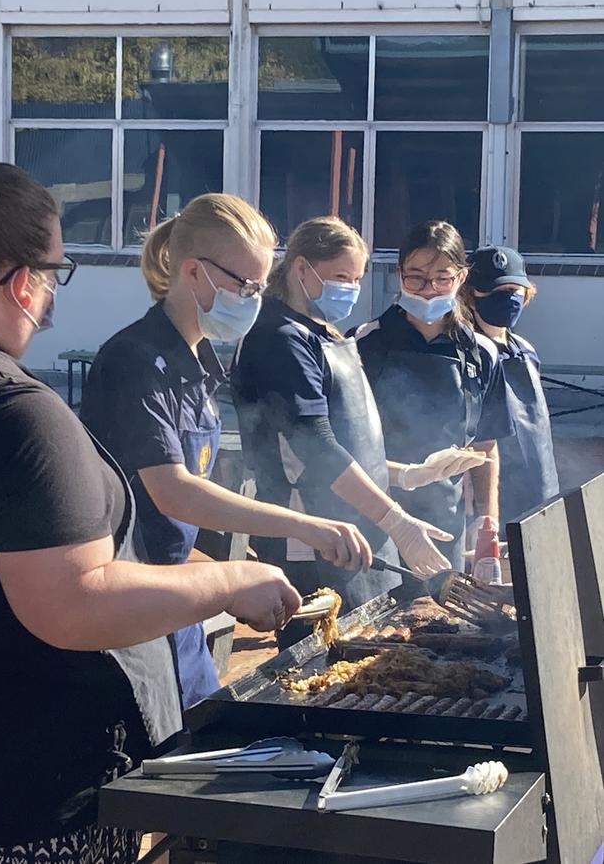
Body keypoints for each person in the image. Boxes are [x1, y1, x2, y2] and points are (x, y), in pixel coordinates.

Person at [0, 164, 300, 862]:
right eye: (57, 270)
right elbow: (75, 600)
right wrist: (230, 585)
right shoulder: (14, 410)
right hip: (19, 803)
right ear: (24, 283)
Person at [81, 194, 372, 706]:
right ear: (194, 272)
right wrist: (301, 524)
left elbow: (177, 521)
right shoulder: (133, 362)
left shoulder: (199, 363)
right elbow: (172, 493)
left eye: (261, 286)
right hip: (130, 613)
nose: (256, 299)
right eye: (246, 285)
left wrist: (233, 578)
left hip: (180, 606)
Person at [231, 216, 487, 649]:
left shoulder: (320, 333)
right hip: (313, 538)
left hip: (356, 529)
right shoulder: (279, 339)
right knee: (321, 666)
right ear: (300, 269)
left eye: (355, 278)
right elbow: (315, 450)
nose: (349, 289)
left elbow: (349, 443)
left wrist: (408, 474)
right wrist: (397, 519)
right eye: (340, 277)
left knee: (368, 656)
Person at [354, 220, 513, 571]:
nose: (428, 290)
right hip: (374, 521)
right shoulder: (364, 344)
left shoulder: (481, 354)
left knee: (438, 622)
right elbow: (347, 445)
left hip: (446, 523)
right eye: (416, 277)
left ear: (461, 278)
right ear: (399, 275)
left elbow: (486, 446)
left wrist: (487, 527)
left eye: (442, 278)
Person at [462, 245, 560, 532]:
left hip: (540, 490)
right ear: (469, 294)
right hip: (487, 500)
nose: (508, 298)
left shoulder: (527, 351)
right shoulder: (463, 353)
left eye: (514, 290)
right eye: (494, 291)